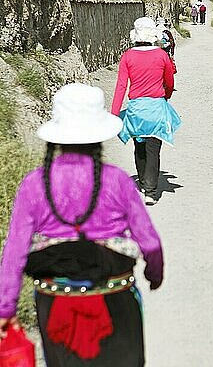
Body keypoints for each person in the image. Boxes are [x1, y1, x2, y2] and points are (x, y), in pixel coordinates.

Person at [0, 83, 164, 366]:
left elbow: (15, 251)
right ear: (99, 134)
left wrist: (6, 307)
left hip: (56, 302)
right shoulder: (117, 181)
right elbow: (150, 242)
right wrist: (154, 273)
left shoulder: (34, 184)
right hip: (115, 297)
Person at [111, 17, 181, 205]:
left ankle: (143, 181)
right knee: (153, 149)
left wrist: (114, 113)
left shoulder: (127, 56)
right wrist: (166, 96)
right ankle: (150, 191)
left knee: (139, 147)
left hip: (136, 110)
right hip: (156, 108)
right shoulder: (161, 55)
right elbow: (169, 81)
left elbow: (120, 86)